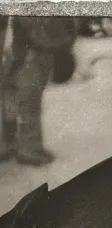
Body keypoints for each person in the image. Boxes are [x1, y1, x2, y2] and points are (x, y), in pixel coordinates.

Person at [0, 16, 78, 166]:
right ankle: (29, 150)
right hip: (31, 52)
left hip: (19, 49)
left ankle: (9, 144)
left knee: (12, 98)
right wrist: (59, 43)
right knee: (29, 101)